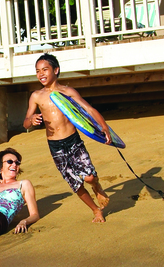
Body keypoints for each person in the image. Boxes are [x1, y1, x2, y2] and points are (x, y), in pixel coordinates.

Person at [23, 53, 111, 224]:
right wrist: (31, 121)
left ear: (56, 70)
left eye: (45, 69)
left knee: (89, 177)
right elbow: (25, 122)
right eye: (37, 71)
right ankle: (96, 210)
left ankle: (97, 186)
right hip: (55, 146)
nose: (41, 74)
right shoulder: (36, 96)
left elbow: (89, 110)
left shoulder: (67, 91)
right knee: (75, 184)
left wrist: (104, 127)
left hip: (73, 141)